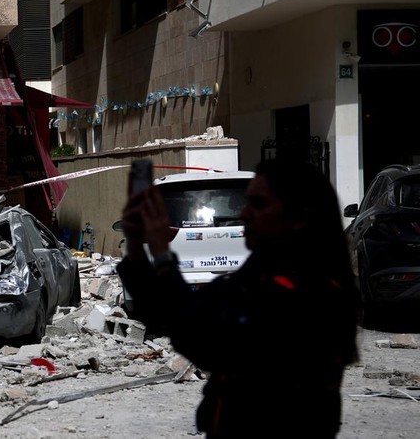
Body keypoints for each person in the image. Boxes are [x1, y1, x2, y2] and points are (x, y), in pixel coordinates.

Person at [117, 158, 360, 438]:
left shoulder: (308, 291)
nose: (243, 214)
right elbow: (170, 313)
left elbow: (204, 338)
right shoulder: (260, 272)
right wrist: (137, 244)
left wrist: (161, 254)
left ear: (298, 215)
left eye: (259, 204)